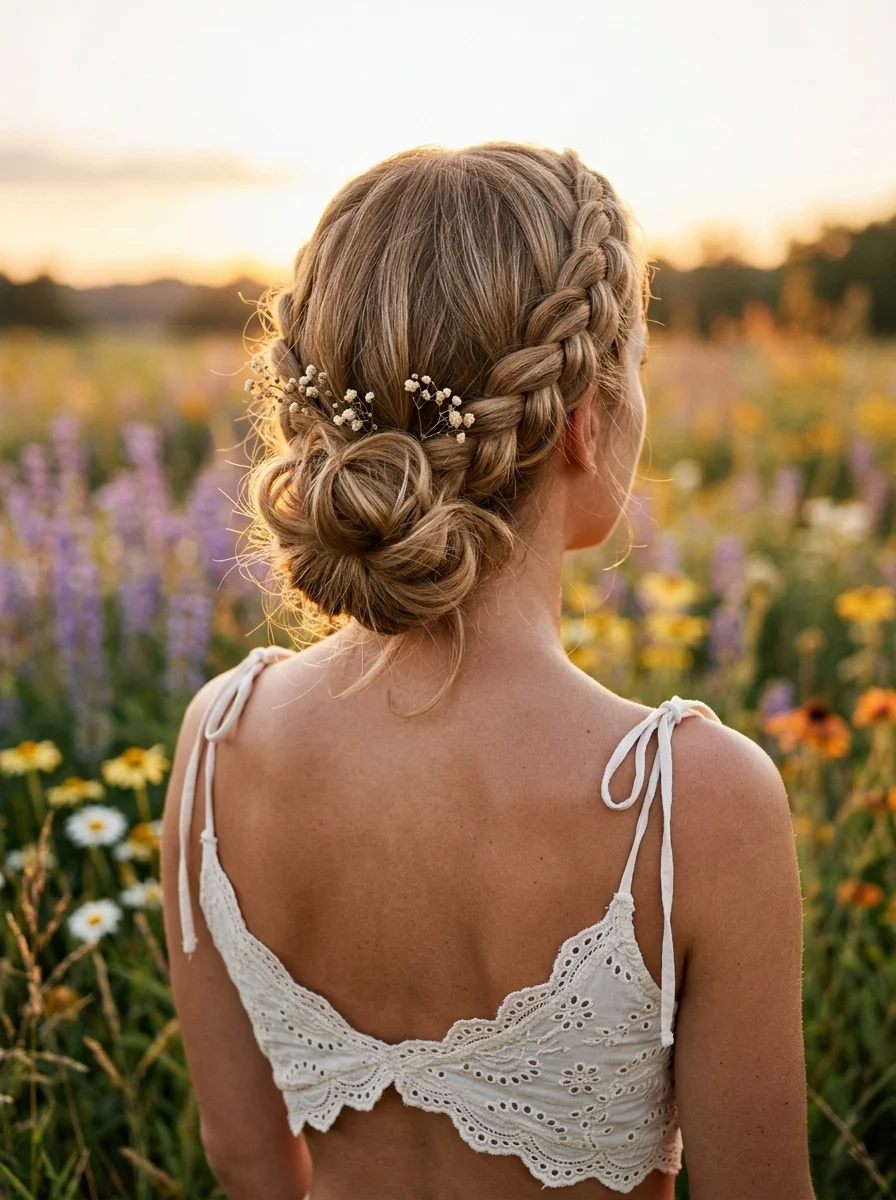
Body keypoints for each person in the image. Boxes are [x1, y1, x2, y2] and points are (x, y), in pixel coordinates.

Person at [160, 142, 815, 1200]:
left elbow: (244, 1157)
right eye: (637, 366)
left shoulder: (219, 740)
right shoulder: (691, 800)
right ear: (582, 419)